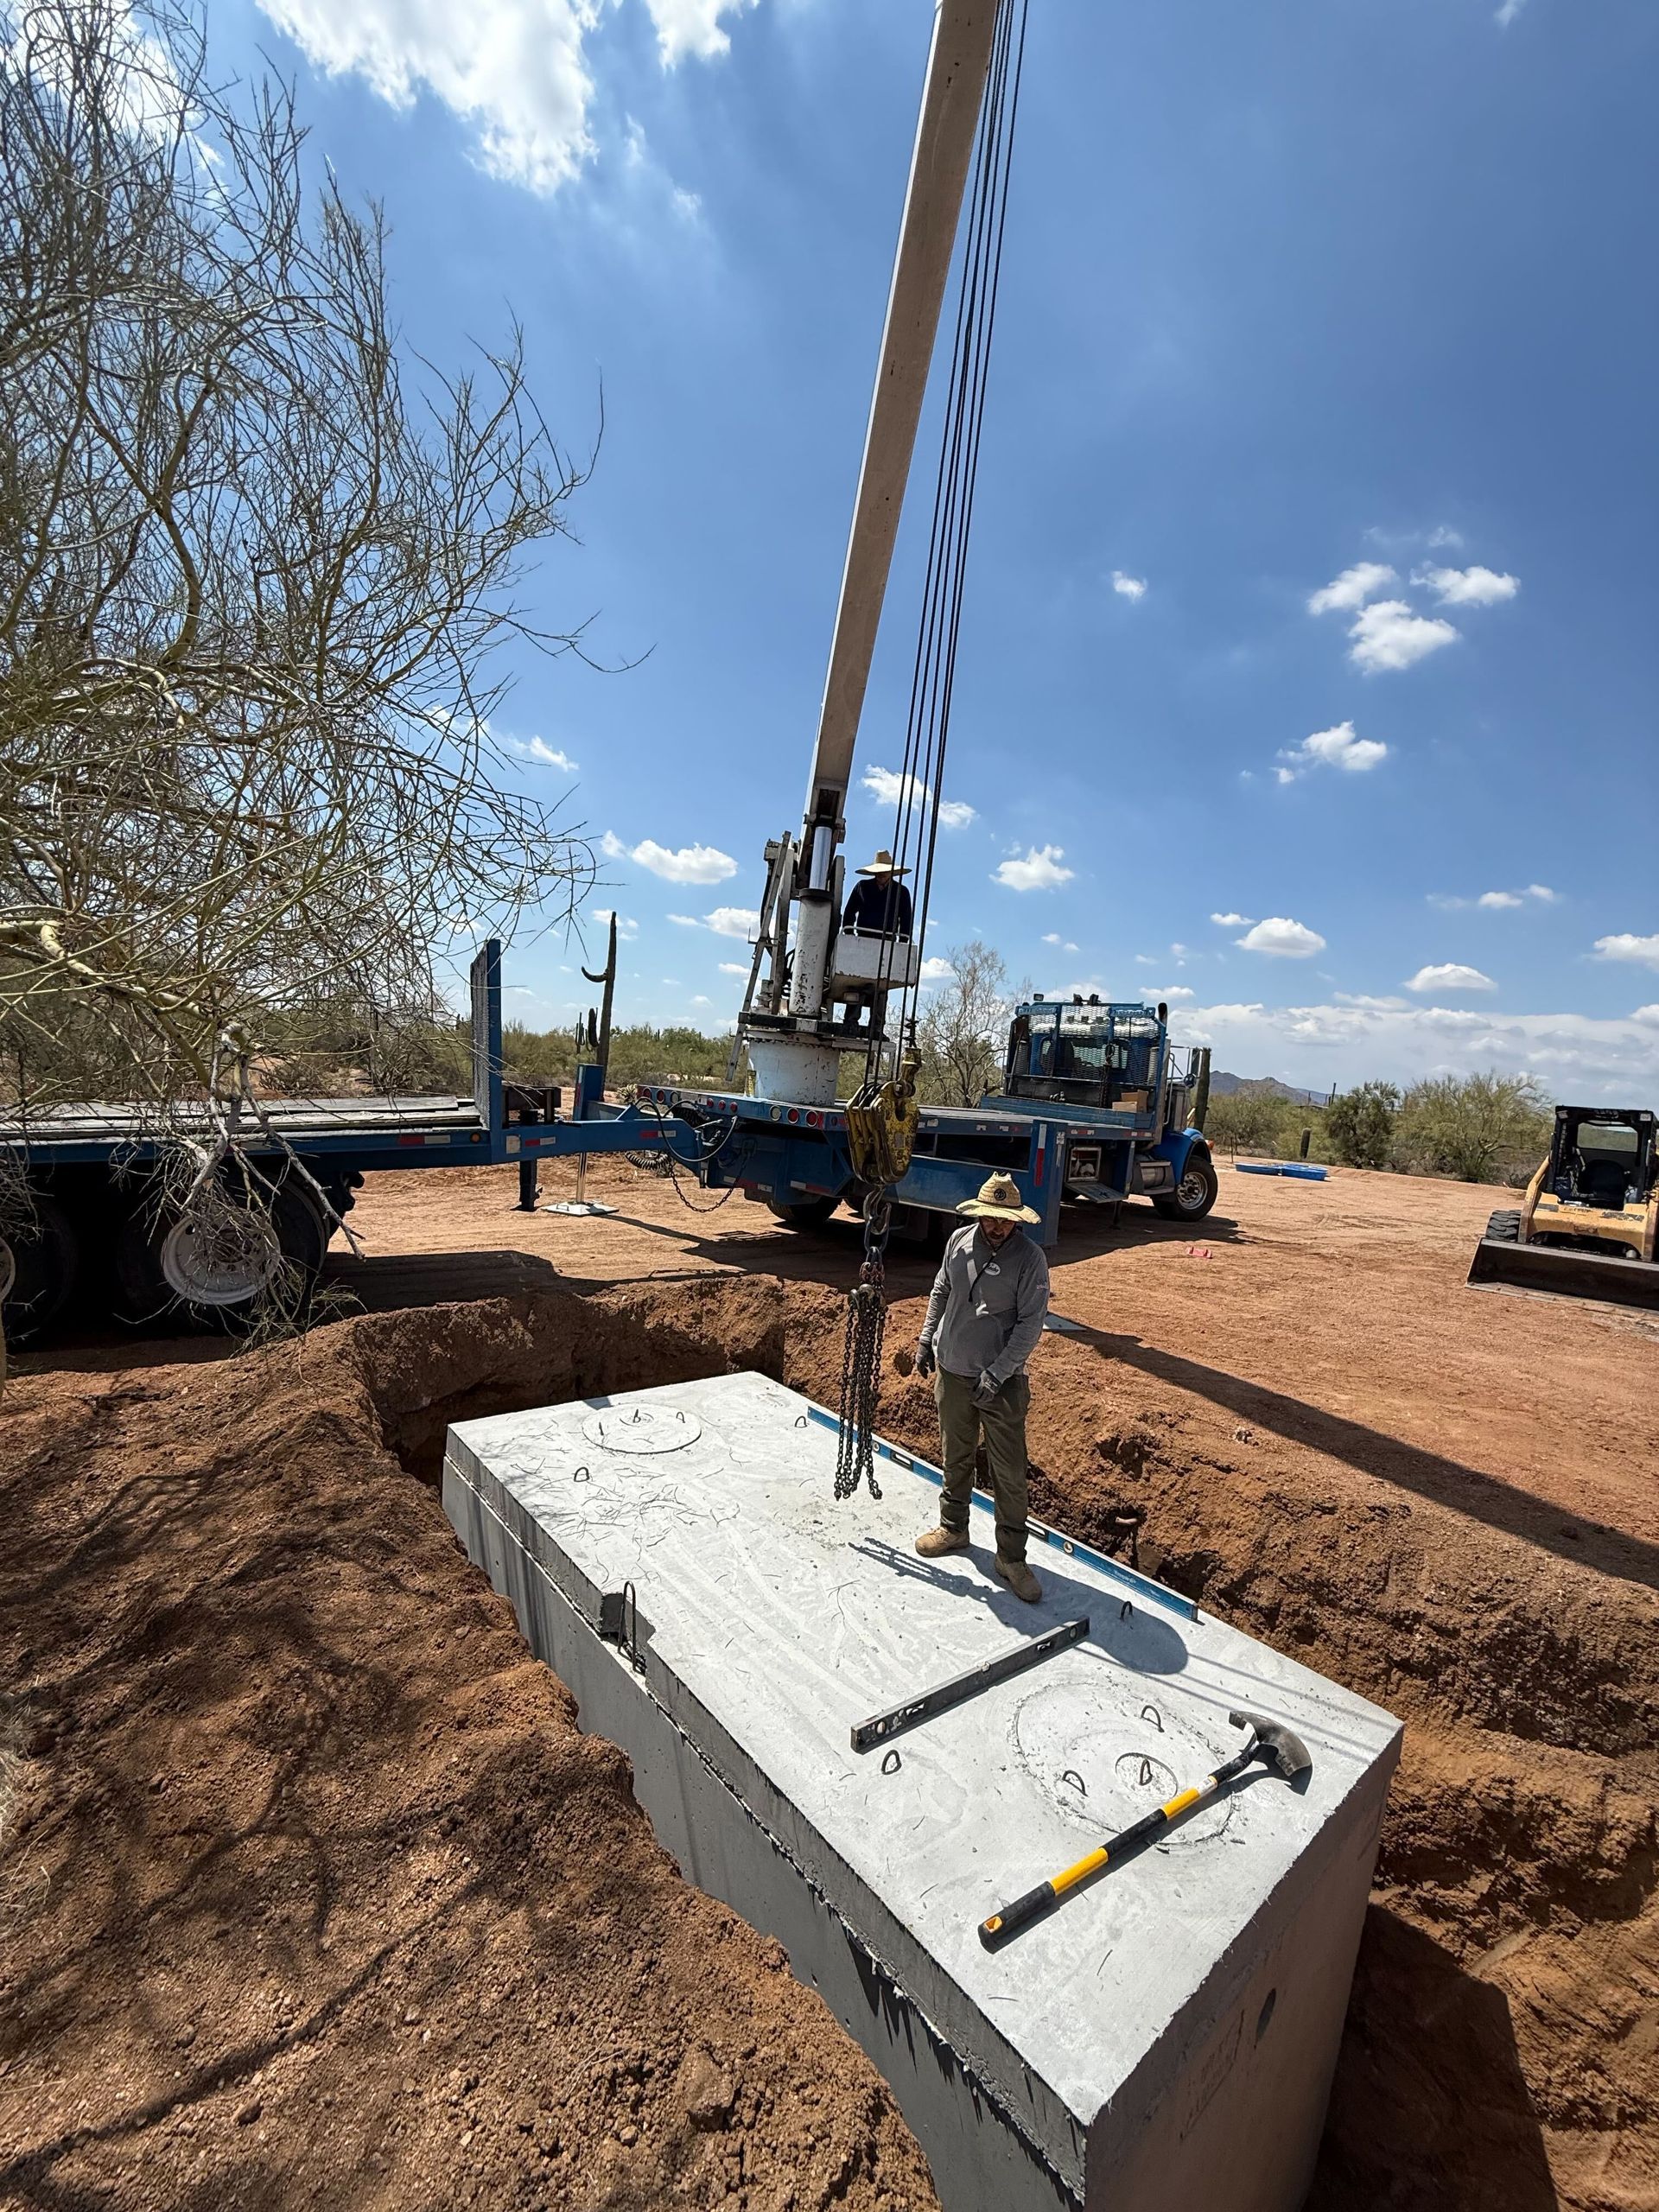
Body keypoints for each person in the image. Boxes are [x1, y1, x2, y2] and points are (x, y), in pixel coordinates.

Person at [913, 1173, 1050, 1603]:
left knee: (1009, 1472)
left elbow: (1030, 1325)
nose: (997, 1226)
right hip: (953, 1371)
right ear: (979, 1214)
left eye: (1006, 1220)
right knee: (956, 1454)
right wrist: (926, 1339)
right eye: (991, 1217)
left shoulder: (1030, 1260)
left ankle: (1011, 1557)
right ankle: (953, 1528)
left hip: (1002, 1383)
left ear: (1017, 1220)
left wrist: (997, 1373)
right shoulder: (958, 1241)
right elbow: (941, 1289)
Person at [841, 849, 913, 940]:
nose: (882, 873)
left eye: (885, 870)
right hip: (862, 938)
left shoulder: (902, 892)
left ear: (891, 872)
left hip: (888, 941)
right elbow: (849, 911)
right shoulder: (862, 887)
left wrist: (902, 942)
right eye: (879, 870)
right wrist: (849, 934)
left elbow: (906, 920)